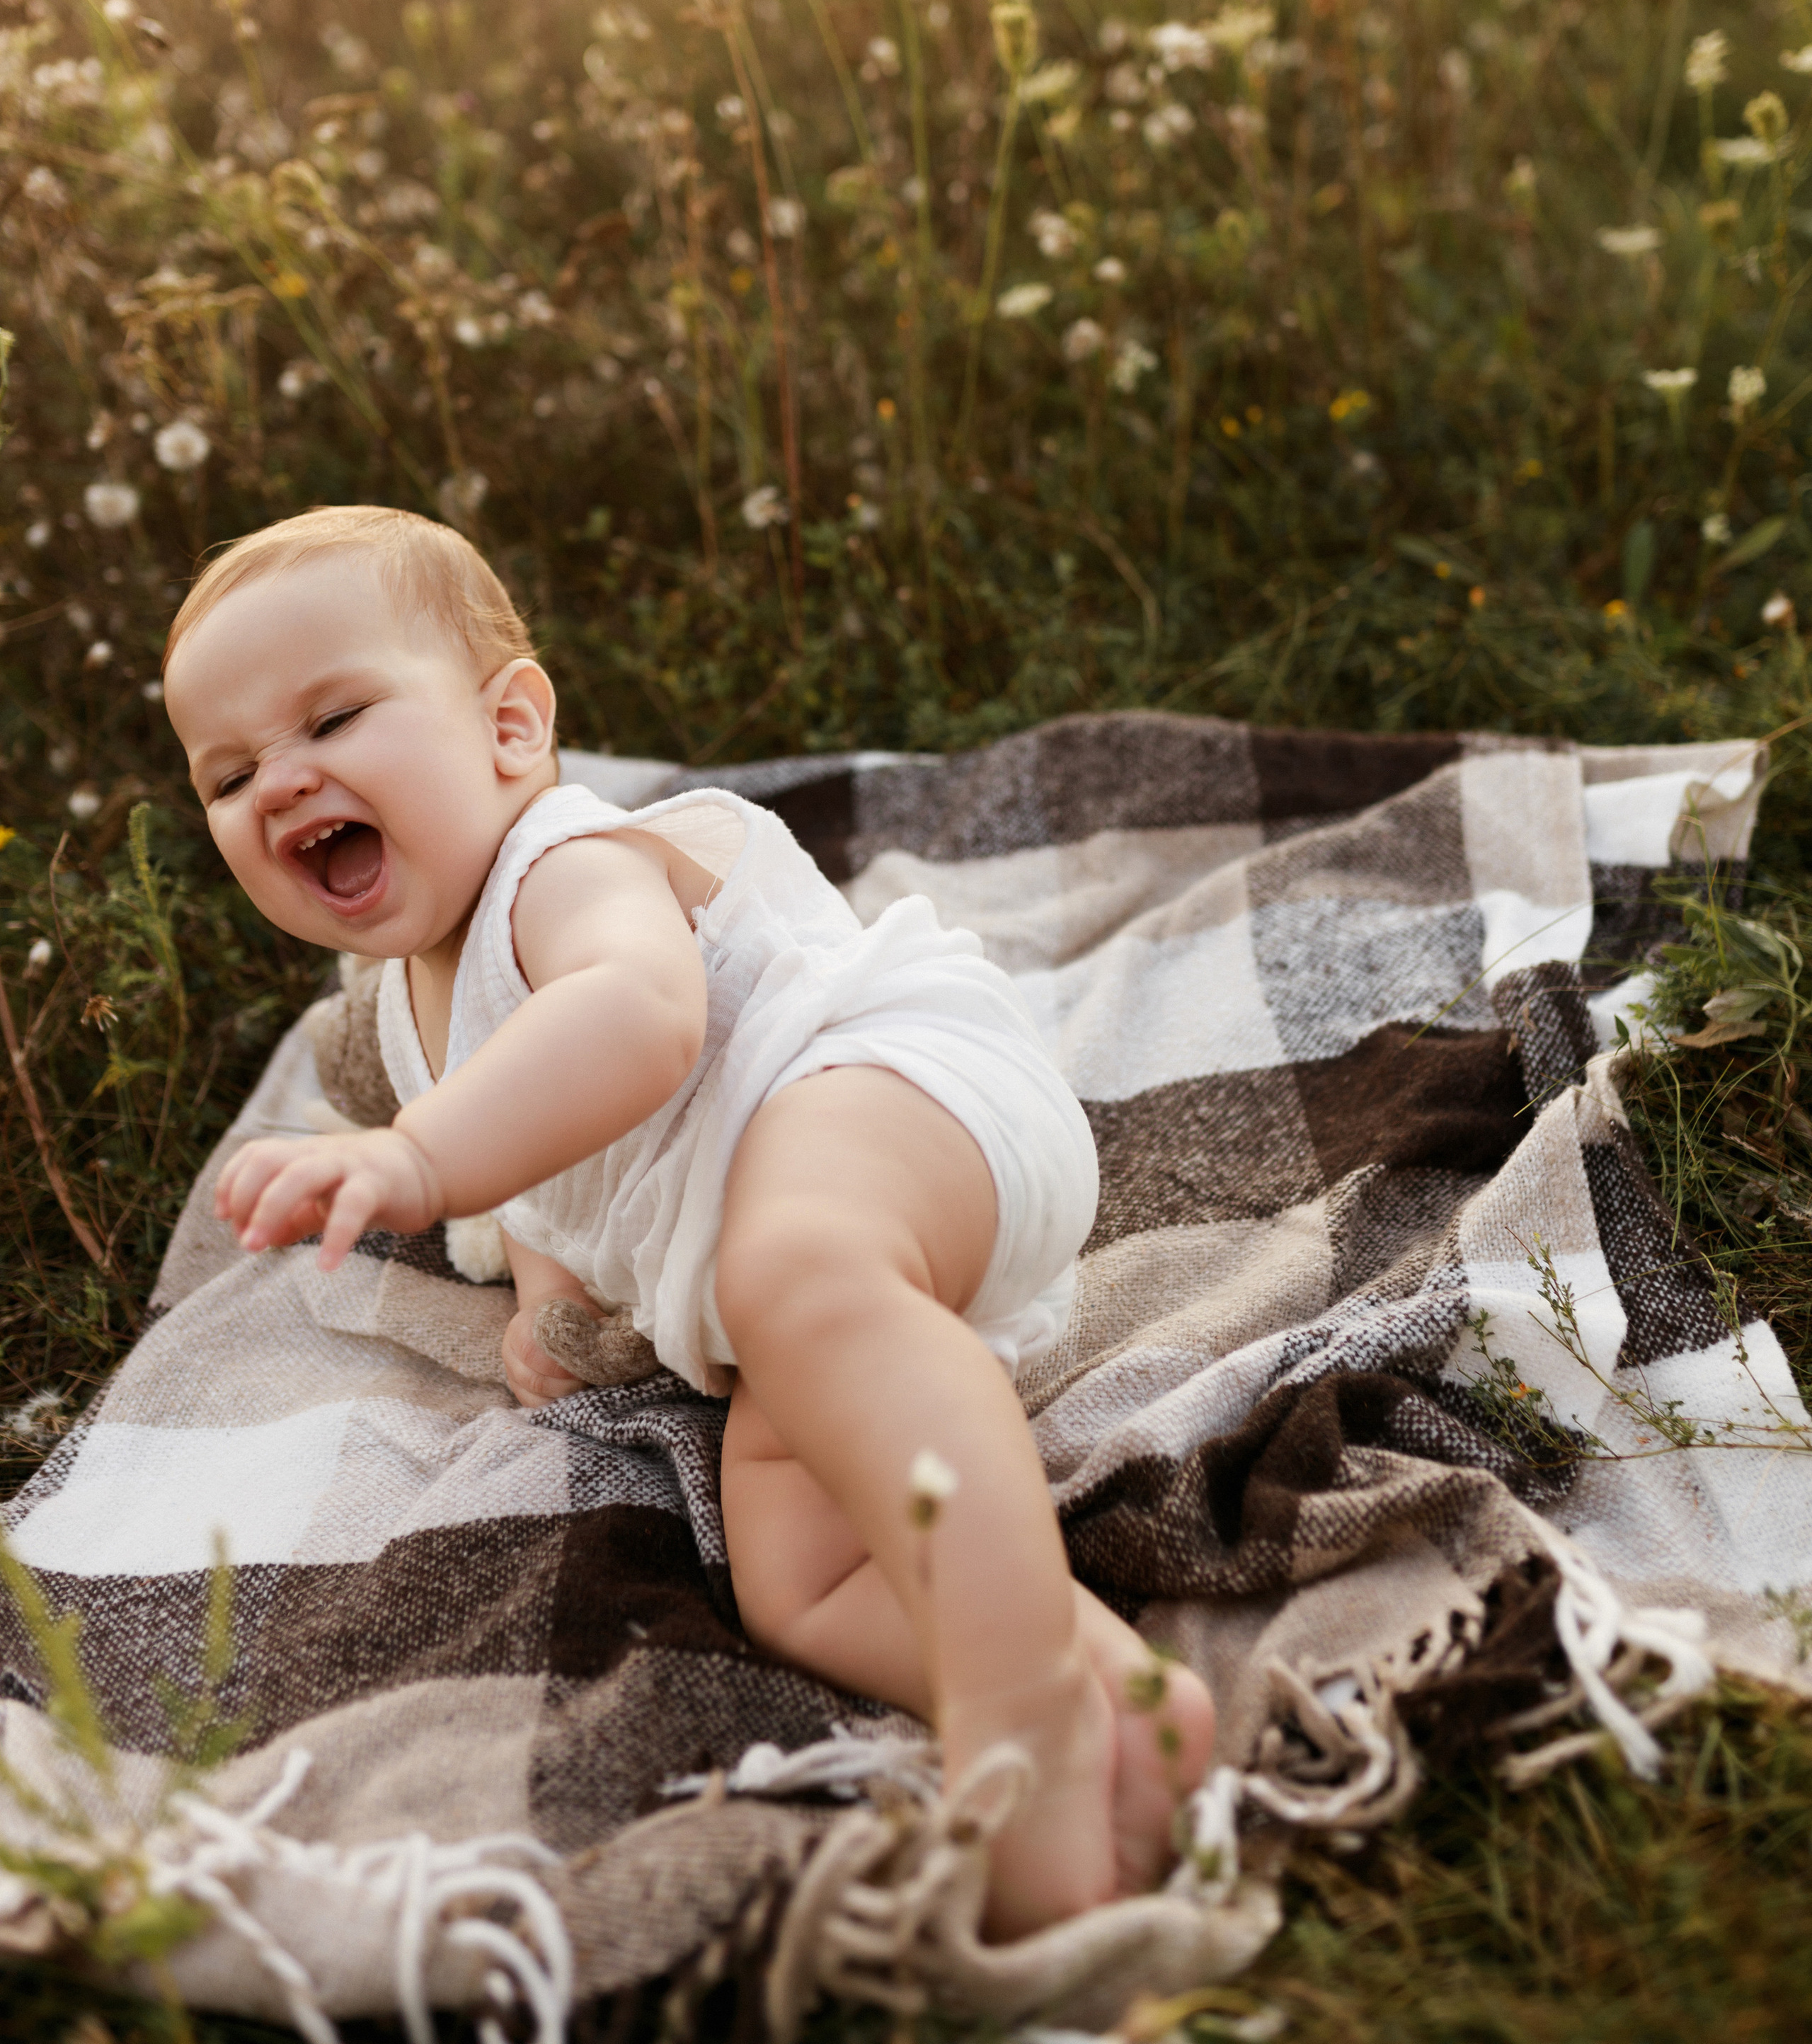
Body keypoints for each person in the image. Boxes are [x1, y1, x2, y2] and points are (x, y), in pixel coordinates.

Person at [164, 505, 1216, 1934]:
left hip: (888, 1095)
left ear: (511, 730)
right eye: (229, 776)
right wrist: (543, 1293)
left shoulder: (564, 863)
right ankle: (1119, 1690)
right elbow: (546, 1160)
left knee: (790, 1261)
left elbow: (637, 1024)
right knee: (797, 1581)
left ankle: (1021, 1721)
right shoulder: (414, 1009)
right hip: (786, 1283)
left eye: (333, 716)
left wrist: (415, 1160)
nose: (284, 781)